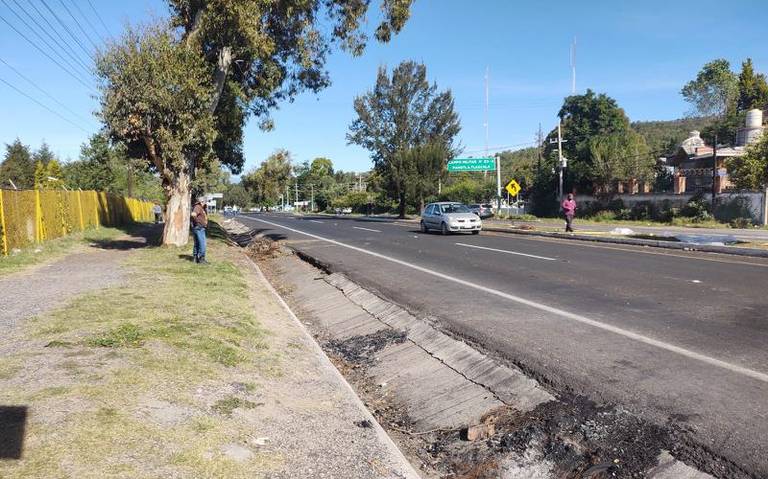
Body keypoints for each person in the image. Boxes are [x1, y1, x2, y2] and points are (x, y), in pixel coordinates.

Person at [191, 197, 209, 264]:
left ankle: (195, 258)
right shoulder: (198, 207)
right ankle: (201, 259)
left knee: (197, 243)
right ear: (202, 201)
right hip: (199, 227)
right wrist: (197, 222)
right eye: (205, 202)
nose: (205, 203)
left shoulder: (200, 207)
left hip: (198, 227)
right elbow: (193, 214)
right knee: (202, 243)